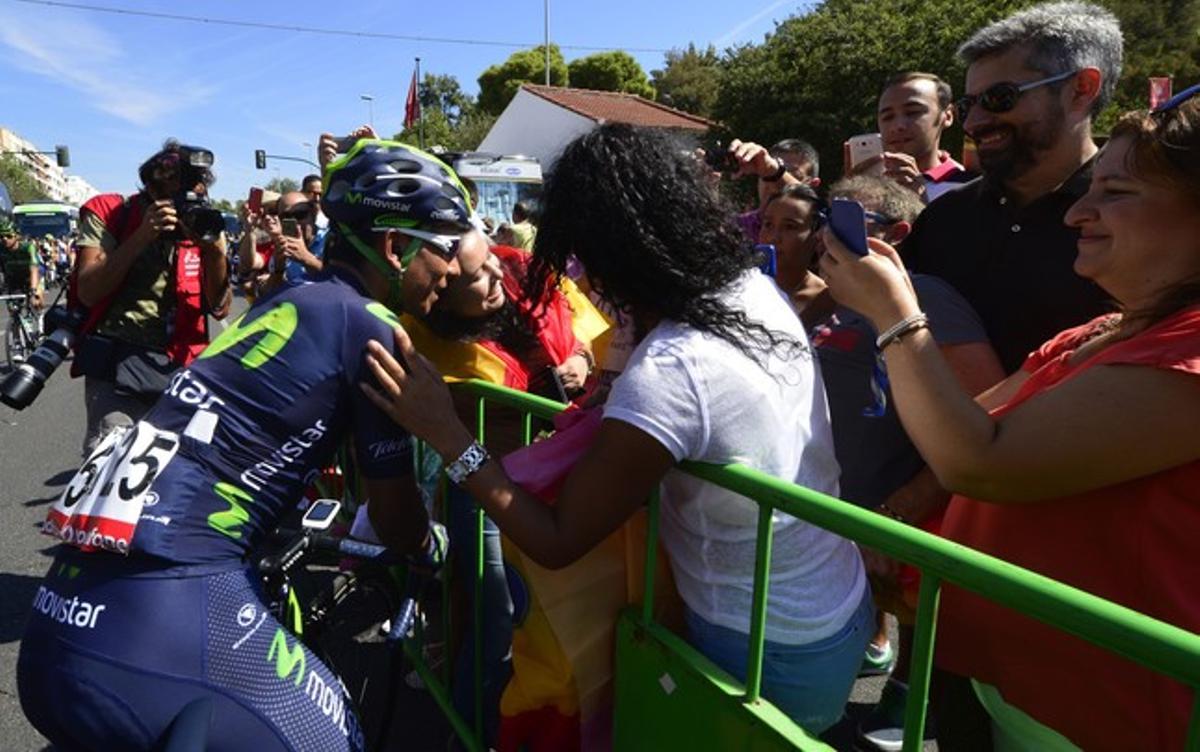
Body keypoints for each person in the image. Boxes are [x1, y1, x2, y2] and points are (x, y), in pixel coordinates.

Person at [360, 124, 871, 735]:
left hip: (762, 652)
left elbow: (555, 539)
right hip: (836, 609)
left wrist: (448, 437)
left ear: (614, 256)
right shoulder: (750, 289)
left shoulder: (674, 367)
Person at [17, 139, 471, 752]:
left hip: (57, 622)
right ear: (394, 246)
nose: (453, 270)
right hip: (161, 619)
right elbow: (394, 522)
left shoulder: (287, 302)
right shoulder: (375, 331)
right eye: (443, 248)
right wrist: (431, 545)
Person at [819, 87, 1200, 752]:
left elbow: (977, 460)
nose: (1079, 211)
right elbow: (961, 428)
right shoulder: (1106, 329)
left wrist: (895, 316)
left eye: (1117, 192)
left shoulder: (1189, 354)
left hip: (1114, 716)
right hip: (1008, 688)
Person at [812, 176, 1004, 749]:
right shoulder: (833, 301)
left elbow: (985, 417)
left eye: (846, 224)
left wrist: (895, 520)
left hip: (901, 535)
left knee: (928, 667)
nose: (826, 236)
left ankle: (904, 703)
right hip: (844, 529)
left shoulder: (927, 297)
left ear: (895, 235)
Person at [394, 237, 604, 744]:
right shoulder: (418, 339)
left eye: (490, 259)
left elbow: (587, 331)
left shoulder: (527, 275)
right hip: (487, 484)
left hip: (560, 475)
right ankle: (468, 732)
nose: (496, 276)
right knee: (496, 616)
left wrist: (581, 360)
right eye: (476, 277)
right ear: (440, 294)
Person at [901, 1, 1123, 374]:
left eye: (999, 98)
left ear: (1081, 89)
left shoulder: (1145, 224)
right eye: (970, 103)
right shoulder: (943, 219)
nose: (974, 122)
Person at [71, 141, 233, 455]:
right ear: (150, 185)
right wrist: (143, 234)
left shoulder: (203, 221)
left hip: (182, 372)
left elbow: (220, 307)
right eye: (174, 186)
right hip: (118, 369)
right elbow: (88, 292)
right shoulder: (111, 211)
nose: (185, 196)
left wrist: (213, 252)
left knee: (178, 478)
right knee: (111, 473)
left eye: (195, 185)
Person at [870, 72, 972, 201]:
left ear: (948, 116)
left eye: (913, 112)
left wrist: (919, 203)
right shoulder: (868, 187)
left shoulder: (970, 188)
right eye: (887, 117)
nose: (898, 125)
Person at [1, 219, 42, 310]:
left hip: (31, 277)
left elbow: (34, 269)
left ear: (17, 236)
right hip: (14, 279)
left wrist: (33, 291)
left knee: (36, 302)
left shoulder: (28, 247)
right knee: (13, 308)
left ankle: (40, 320)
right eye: (1, 236)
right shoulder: (1, 249)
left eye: (9, 236)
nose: (5, 239)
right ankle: (16, 322)